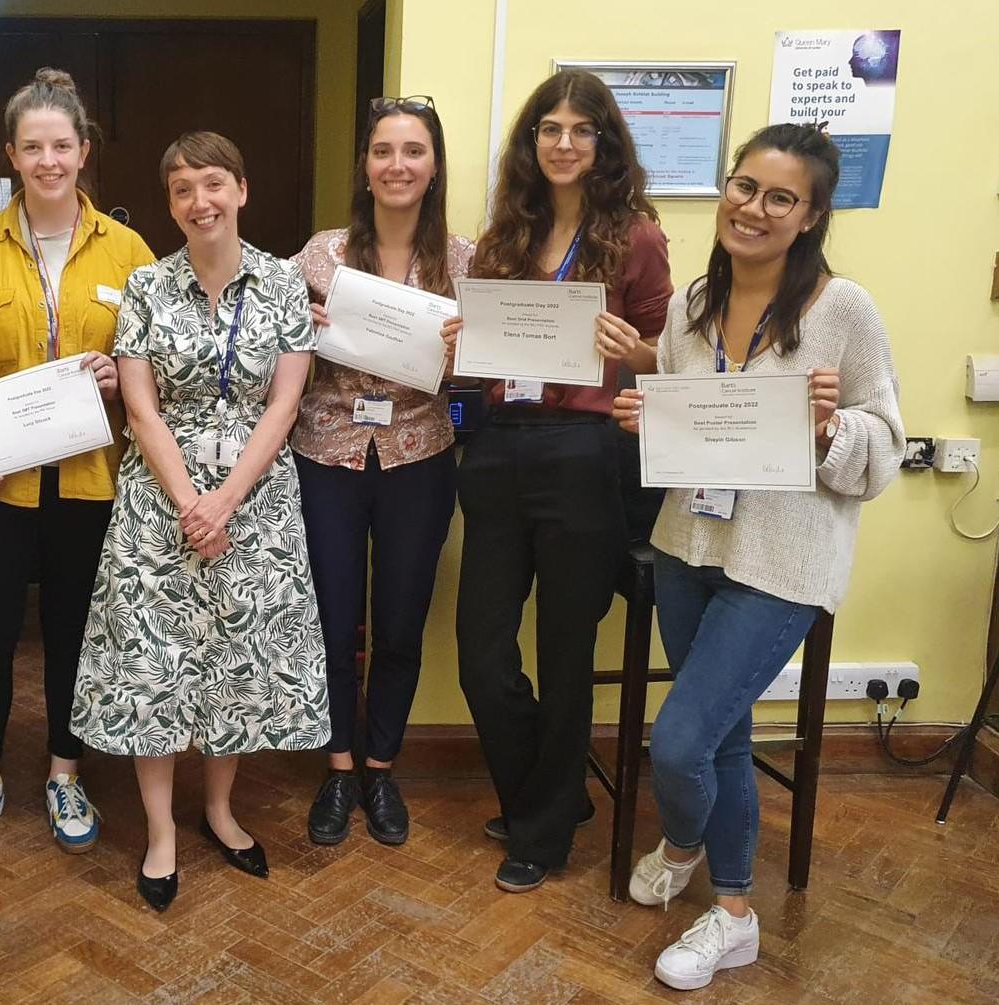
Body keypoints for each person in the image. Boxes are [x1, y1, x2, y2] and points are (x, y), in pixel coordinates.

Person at [613, 123, 903, 991]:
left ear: (810, 216)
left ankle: (706, 879)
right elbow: (681, 418)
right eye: (744, 186)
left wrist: (831, 425)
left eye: (781, 197)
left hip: (781, 559)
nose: (754, 208)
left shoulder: (842, 309)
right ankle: (723, 890)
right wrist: (644, 417)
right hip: (687, 542)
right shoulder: (693, 300)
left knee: (679, 739)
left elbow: (885, 444)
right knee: (723, 733)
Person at [71, 131, 330, 912]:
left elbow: (284, 402)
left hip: (256, 497)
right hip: (159, 498)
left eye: (212, 184)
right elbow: (142, 409)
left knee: (238, 663)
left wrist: (226, 500)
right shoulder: (146, 284)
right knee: (152, 664)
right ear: (171, 204)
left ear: (241, 190)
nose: (199, 202)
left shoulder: (284, 283)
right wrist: (190, 500)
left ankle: (219, 808)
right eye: (181, 189)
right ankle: (160, 831)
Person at [0, 68, 155, 860]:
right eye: (33, 147)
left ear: (83, 151)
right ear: (12, 156)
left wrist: (119, 376)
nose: (48, 160)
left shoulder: (128, 250)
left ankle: (64, 770)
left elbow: (157, 368)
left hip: (91, 482)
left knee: (74, 635)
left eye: (62, 145)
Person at [451, 70, 672, 893]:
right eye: (550, 127)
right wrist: (458, 344)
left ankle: (542, 833)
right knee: (482, 656)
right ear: (530, 140)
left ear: (604, 143)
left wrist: (631, 347)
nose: (565, 142)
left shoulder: (637, 237)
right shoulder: (505, 233)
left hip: (585, 453)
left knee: (565, 652)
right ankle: (551, 793)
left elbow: (670, 358)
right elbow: (479, 360)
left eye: (582, 129)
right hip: (500, 446)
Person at [292, 96, 472, 847]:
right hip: (326, 454)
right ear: (364, 167)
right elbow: (278, 355)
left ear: (432, 168)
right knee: (334, 616)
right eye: (382, 151)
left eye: (413, 152)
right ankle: (337, 768)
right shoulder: (319, 254)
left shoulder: (465, 261)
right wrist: (298, 329)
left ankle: (380, 764)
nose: (396, 165)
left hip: (419, 457)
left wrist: (470, 353)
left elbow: (488, 375)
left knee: (400, 619)